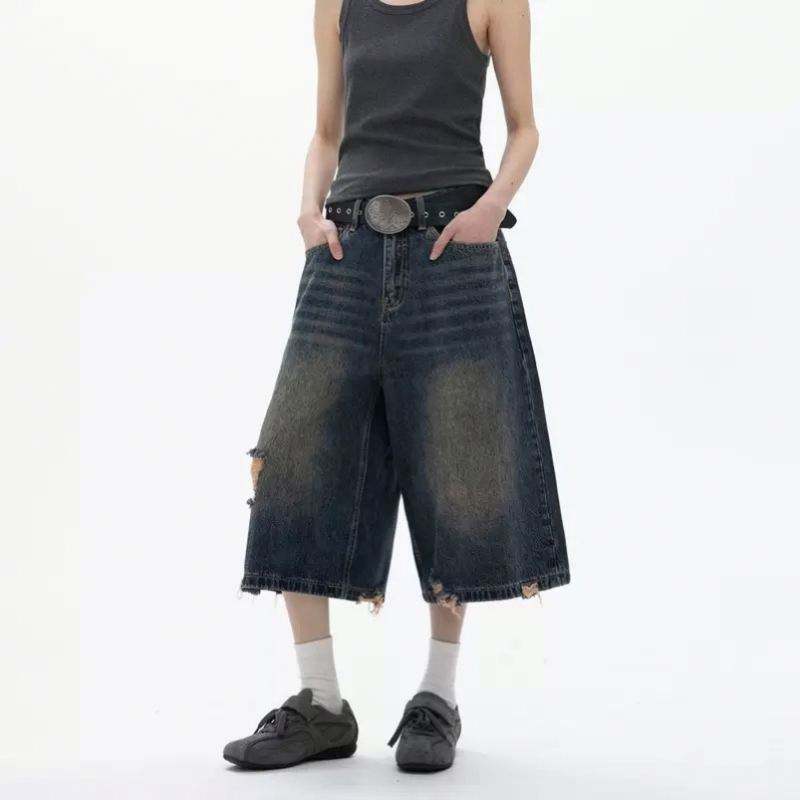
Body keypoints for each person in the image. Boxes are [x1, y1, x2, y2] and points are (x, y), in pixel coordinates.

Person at [223, 0, 569, 773]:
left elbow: (525, 129)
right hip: (345, 248)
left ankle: (436, 698)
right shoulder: (337, 5)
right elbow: (326, 131)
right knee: (297, 460)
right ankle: (319, 702)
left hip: (454, 245)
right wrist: (308, 213)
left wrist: (491, 209)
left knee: (458, 467)